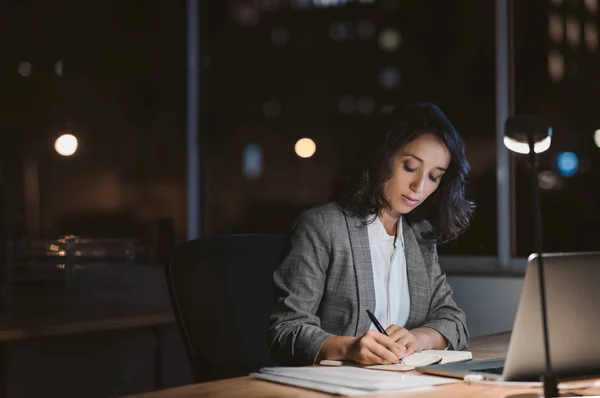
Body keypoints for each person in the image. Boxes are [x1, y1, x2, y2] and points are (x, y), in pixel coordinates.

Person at [268, 103, 475, 366]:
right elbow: (286, 330)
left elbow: (454, 321)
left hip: (401, 386)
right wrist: (349, 347)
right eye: (410, 167)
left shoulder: (419, 236)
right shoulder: (323, 226)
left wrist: (420, 338)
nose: (419, 187)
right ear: (381, 157)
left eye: (434, 177)